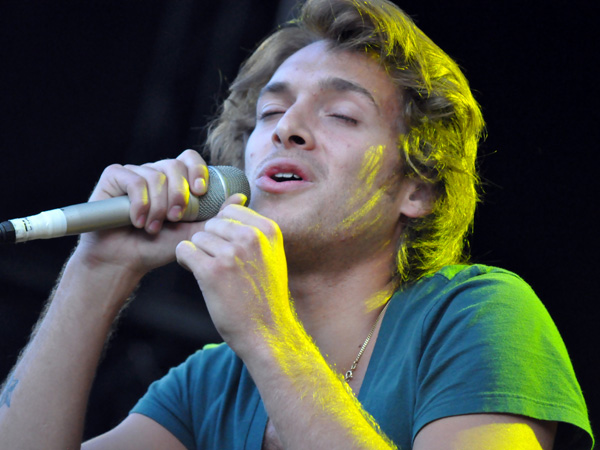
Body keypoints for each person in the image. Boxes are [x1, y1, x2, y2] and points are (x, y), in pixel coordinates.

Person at [0, 0, 593, 448]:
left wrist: (268, 334)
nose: (287, 129)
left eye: (340, 113)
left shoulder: (477, 315)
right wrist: (97, 268)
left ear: (418, 188)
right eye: (271, 112)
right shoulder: (208, 383)